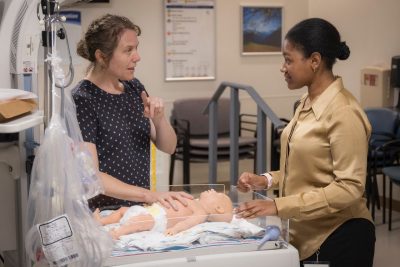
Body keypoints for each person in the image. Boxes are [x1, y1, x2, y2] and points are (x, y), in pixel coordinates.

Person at [235, 18, 375, 267]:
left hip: (340, 236)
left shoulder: (343, 111)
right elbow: (307, 167)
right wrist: (266, 180)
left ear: (315, 60)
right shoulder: (306, 102)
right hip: (305, 237)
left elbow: (349, 187)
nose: (283, 67)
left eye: (289, 59)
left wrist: (278, 206)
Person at [72, 14, 192, 211]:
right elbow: (90, 176)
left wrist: (159, 120)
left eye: (136, 48)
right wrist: (150, 194)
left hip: (138, 209)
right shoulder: (83, 100)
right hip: (104, 214)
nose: (137, 57)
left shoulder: (134, 87)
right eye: (128, 50)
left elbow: (169, 147)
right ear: (101, 56)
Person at [93, 189, 233, 239]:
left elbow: (188, 223)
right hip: (151, 209)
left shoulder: (201, 213)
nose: (213, 190)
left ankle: (117, 233)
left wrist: (175, 229)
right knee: (123, 210)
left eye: (217, 194)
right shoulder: (194, 200)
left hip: (158, 219)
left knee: (140, 222)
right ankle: (102, 221)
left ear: (218, 208)